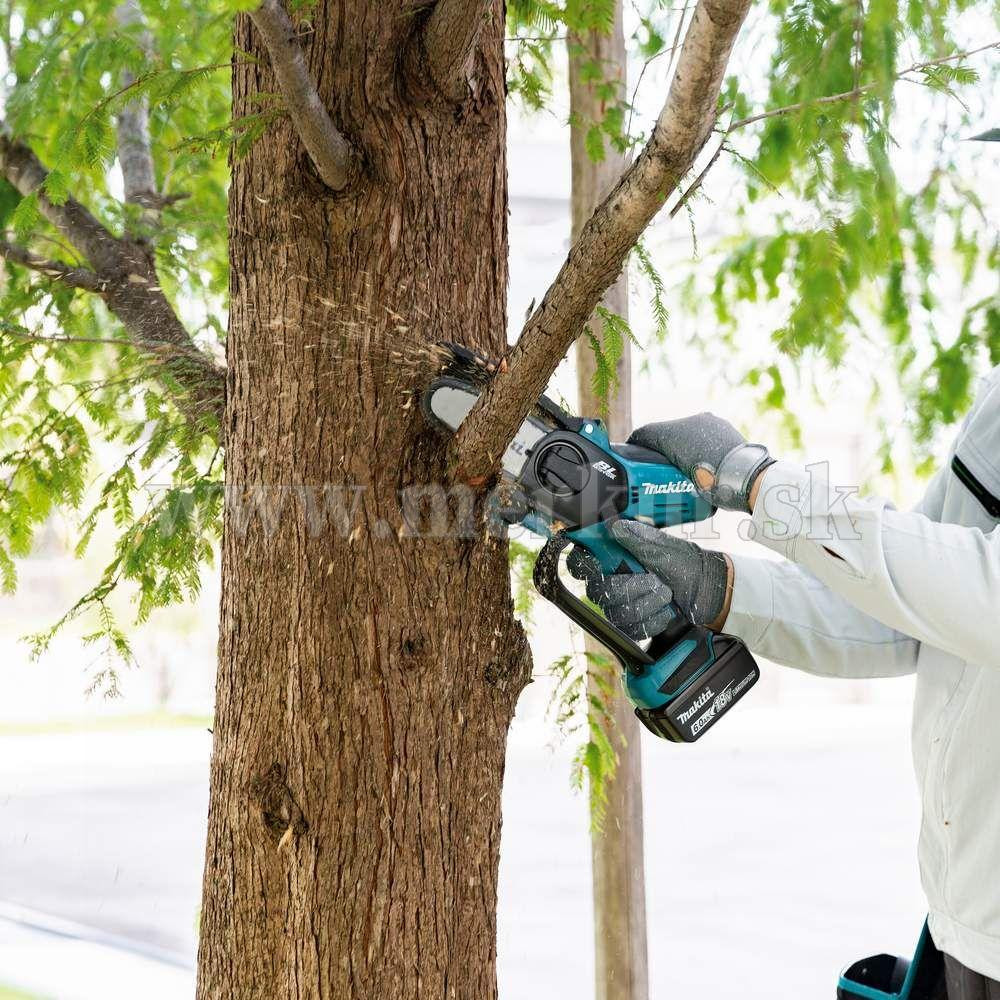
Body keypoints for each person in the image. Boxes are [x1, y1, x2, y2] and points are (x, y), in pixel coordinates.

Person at [569, 130, 1000, 1000]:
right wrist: (716, 588)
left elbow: (983, 600)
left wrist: (758, 483)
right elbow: (905, 615)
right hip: (968, 924)